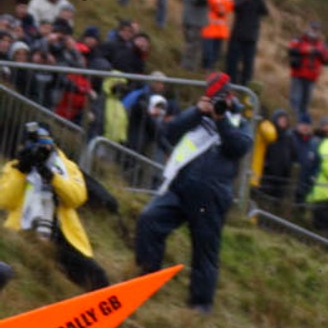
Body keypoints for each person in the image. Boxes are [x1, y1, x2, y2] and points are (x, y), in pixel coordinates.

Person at [134, 73, 251, 313]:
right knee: (149, 220)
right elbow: (169, 132)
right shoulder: (198, 116)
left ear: (230, 98)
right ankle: (145, 278)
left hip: (212, 194)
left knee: (205, 250)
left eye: (221, 98)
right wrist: (197, 111)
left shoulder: (240, 122)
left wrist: (221, 118)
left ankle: (200, 304)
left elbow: (237, 147)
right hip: (181, 186)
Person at [0, 121, 108, 290]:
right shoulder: (14, 166)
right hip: (24, 231)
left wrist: (51, 176)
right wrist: (22, 170)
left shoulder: (67, 166)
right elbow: (5, 200)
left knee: (97, 279)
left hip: (62, 235)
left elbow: (77, 197)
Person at [224, 0, 269, 86]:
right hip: (237, 36)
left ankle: (245, 84)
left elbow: (265, 11)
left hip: (251, 38)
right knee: (232, 61)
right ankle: (231, 82)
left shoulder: (259, 1)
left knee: (248, 64)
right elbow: (235, 7)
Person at [285, 22, 328, 122]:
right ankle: (292, 119)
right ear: (308, 29)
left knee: (305, 103)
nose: (314, 32)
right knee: (295, 100)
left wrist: (320, 53)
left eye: (316, 30)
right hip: (298, 74)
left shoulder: (321, 45)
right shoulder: (299, 39)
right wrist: (306, 50)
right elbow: (291, 49)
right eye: (312, 29)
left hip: (311, 77)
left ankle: (301, 122)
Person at [256, 109, 296, 204]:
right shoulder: (269, 135)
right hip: (267, 178)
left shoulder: (289, 138)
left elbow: (292, 157)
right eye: (281, 119)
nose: (283, 122)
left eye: (285, 120)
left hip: (282, 180)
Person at [178, 0, 210, 69]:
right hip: (195, 18)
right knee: (193, 44)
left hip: (187, 16)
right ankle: (188, 68)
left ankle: (186, 66)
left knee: (189, 43)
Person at [198, 0, 233, 72]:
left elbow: (230, 5)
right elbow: (211, 0)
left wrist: (222, 8)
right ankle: (204, 71)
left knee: (215, 55)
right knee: (207, 53)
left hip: (220, 30)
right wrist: (219, 7)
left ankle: (211, 72)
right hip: (208, 28)